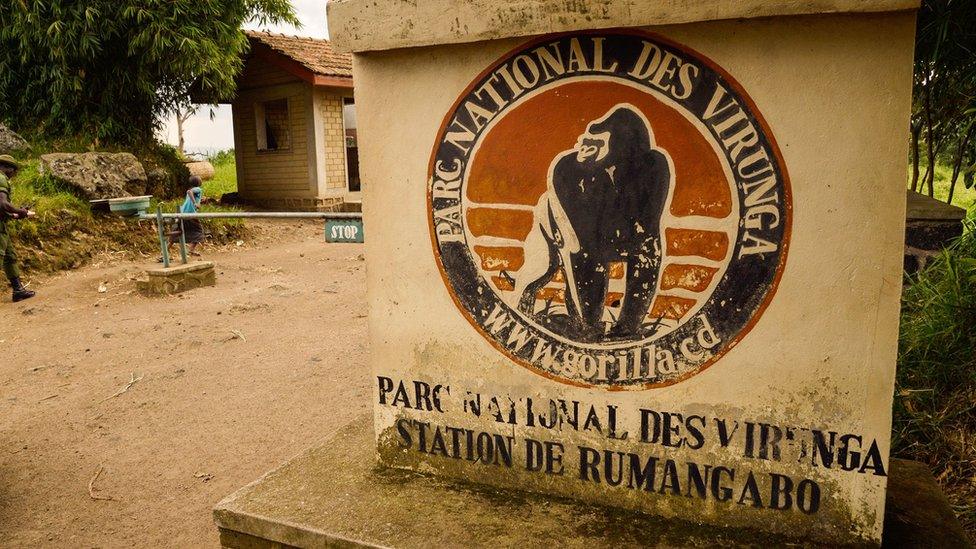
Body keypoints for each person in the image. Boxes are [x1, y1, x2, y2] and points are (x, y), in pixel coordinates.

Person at [0, 155, 36, 302]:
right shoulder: (1, 178)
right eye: (14, 172)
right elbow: (2, 204)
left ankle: (18, 290)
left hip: (2, 225)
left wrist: (16, 214)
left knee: (10, 257)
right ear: (8, 168)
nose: (13, 175)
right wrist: (22, 212)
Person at [164, 177, 206, 259]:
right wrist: (195, 204)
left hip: (182, 213)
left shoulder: (194, 190)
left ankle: (166, 249)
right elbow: (189, 192)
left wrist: (200, 201)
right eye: (200, 179)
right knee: (199, 231)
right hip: (190, 214)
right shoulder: (198, 189)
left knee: (177, 231)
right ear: (198, 182)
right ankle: (191, 249)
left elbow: (190, 193)